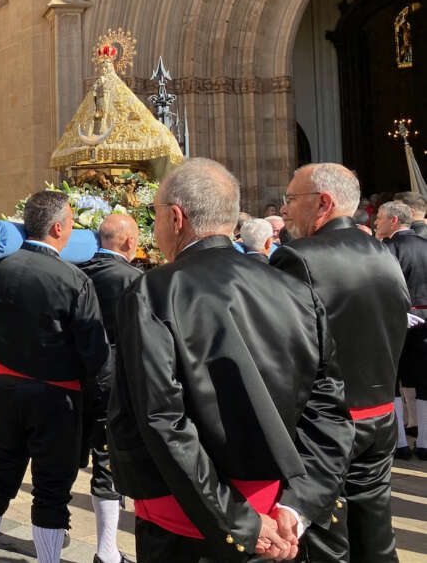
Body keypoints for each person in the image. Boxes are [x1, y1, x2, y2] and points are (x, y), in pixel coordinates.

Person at [109, 159, 354, 562]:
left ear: (176, 217)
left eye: (153, 215)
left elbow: (162, 419)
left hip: (193, 522)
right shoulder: (296, 290)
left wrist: (240, 521)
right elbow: (328, 408)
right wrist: (298, 505)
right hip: (279, 514)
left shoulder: (153, 292)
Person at [272, 163, 410, 562]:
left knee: (325, 541)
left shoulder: (296, 257)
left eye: (291, 199)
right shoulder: (383, 253)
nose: (285, 209)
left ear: (323, 204)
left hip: (324, 426)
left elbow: (285, 346)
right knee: (376, 531)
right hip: (381, 418)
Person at [0, 190, 109, 563]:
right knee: (51, 489)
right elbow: (95, 352)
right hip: (56, 396)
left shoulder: (0, 268)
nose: (72, 228)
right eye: (70, 221)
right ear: (57, 227)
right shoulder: (74, 278)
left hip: (6, 388)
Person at [78, 212, 141, 563]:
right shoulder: (133, 278)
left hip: (77, 377)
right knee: (107, 462)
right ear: (130, 242)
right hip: (115, 380)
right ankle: (106, 551)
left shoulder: (78, 272)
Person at [374, 201, 427, 460]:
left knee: (393, 380)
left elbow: (383, 288)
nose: (377, 222)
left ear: (394, 220)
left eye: (381, 218)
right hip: (425, 319)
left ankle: (400, 443)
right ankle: (426, 441)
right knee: (425, 381)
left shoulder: (386, 249)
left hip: (399, 319)